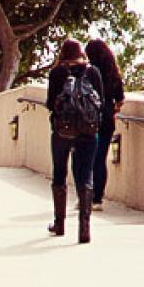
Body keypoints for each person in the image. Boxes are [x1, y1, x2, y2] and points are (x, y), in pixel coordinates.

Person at [45, 38, 105, 244]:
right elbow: (102, 103)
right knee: (85, 174)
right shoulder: (93, 72)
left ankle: (59, 224)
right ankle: (84, 228)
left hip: (63, 131)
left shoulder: (57, 73)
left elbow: (50, 103)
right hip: (89, 131)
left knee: (60, 172)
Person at [85, 39, 125, 211]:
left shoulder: (89, 72)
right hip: (107, 118)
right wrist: (112, 110)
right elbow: (120, 99)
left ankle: (87, 194)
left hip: (91, 118)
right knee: (100, 158)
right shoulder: (113, 74)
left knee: (87, 157)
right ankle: (97, 199)